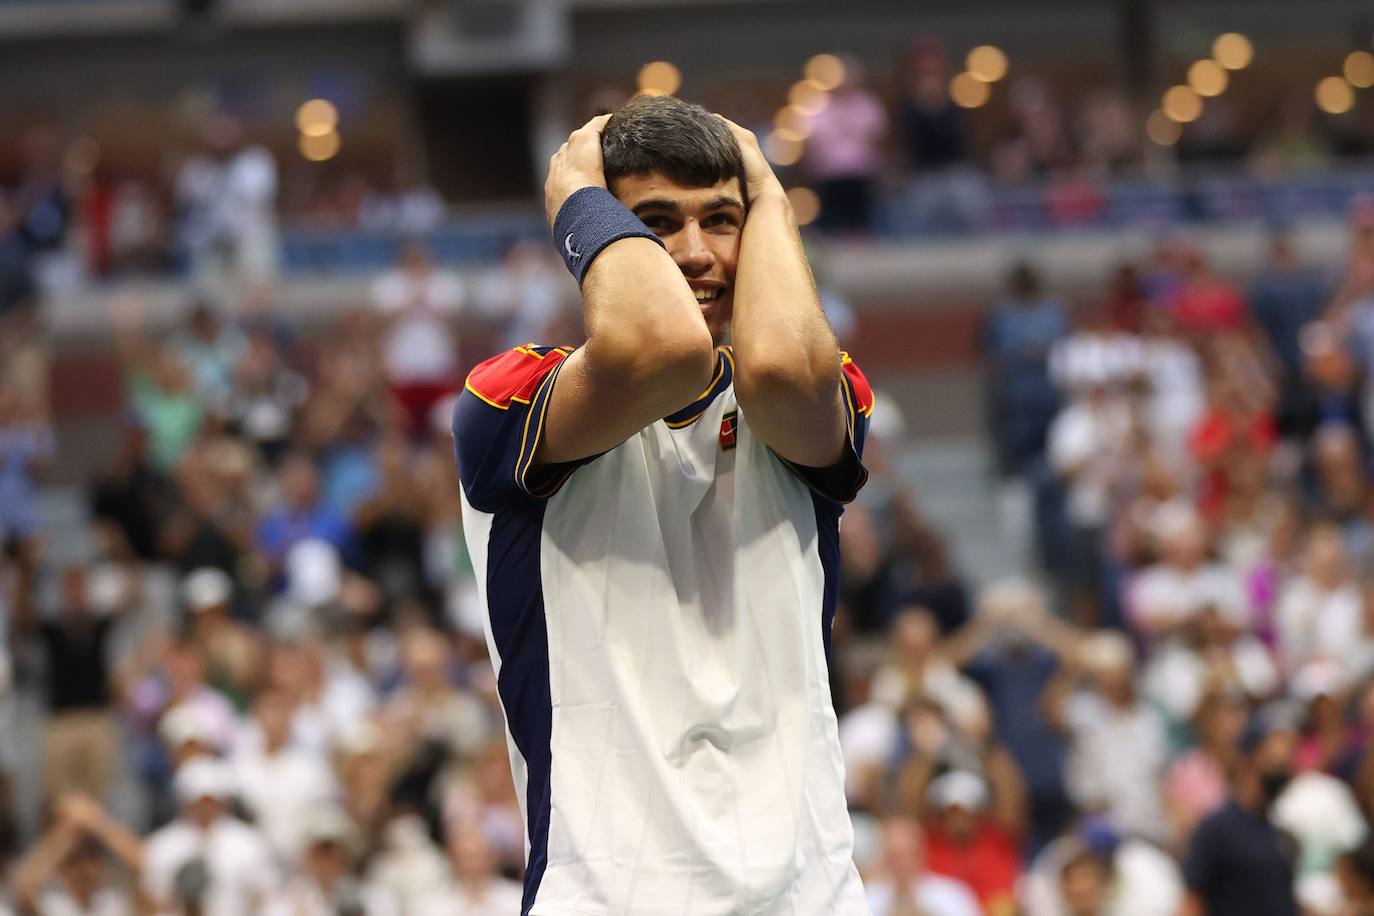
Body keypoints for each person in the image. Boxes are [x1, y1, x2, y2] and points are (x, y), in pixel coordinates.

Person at [451, 95, 873, 914]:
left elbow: (783, 365)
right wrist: (577, 190)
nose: (696, 253)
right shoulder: (507, 397)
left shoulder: (825, 386)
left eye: (722, 220)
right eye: (653, 222)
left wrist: (771, 194)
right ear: (599, 235)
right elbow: (665, 349)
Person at [1180, 705, 1301, 916]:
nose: (1286, 761)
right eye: (1277, 749)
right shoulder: (1217, 829)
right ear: (1250, 757)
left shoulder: (1280, 833)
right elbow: (1192, 904)